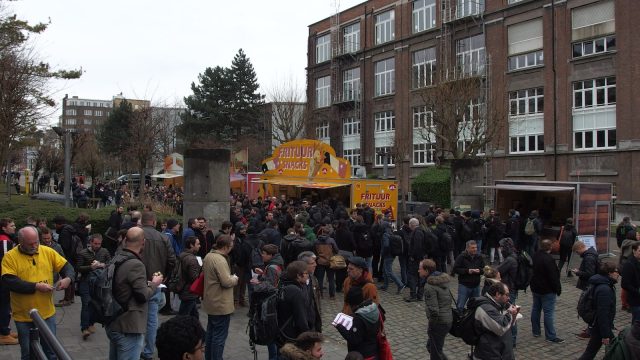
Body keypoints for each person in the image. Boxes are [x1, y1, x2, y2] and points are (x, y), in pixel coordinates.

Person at [1, 226, 74, 359]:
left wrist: (68, 278)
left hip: (47, 314)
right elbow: (9, 281)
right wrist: (36, 286)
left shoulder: (47, 251)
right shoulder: (10, 257)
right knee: (28, 353)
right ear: (20, 242)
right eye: (31, 244)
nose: (35, 246)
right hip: (24, 316)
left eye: (37, 242)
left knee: (51, 351)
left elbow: (66, 266)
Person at [107, 227, 163, 360]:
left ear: (125, 240)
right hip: (128, 326)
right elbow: (143, 295)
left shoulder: (117, 257)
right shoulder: (136, 264)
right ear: (143, 242)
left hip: (113, 320)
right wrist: (155, 283)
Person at [140, 211, 176, 359]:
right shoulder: (163, 237)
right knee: (152, 318)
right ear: (154, 222)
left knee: (135, 315)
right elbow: (172, 260)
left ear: (142, 222)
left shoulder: (136, 235)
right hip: (155, 281)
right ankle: (148, 350)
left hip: (136, 281)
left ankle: (138, 347)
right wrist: (164, 277)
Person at [202, 234, 238, 360]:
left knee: (211, 333)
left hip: (211, 300)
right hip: (220, 302)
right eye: (231, 246)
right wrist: (234, 278)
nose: (232, 248)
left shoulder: (209, 255)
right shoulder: (220, 260)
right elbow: (226, 282)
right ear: (226, 246)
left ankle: (209, 357)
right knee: (219, 336)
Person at [577, 262, 620, 360]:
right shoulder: (604, 289)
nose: (618, 274)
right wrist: (605, 335)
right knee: (593, 352)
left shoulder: (602, 283)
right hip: (599, 326)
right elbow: (603, 313)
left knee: (592, 351)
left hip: (598, 325)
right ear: (610, 273)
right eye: (616, 272)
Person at [76, 233, 111, 340]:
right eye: (95, 243)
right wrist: (91, 267)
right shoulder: (83, 253)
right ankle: (84, 328)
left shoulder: (104, 251)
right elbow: (78, 268)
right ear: (90, 243)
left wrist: (102, 265)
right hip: (85, 282)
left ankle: (91, 323)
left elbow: (110, 264)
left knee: (96, 304)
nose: (97, 245)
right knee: (86, 304)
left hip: (99, 283)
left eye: (99, 244)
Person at [530, 239, 564, 343]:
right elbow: (553, 277)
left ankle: (536, 331)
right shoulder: (549, 259)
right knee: (548, 313)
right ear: (550, 247)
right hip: (547, 290)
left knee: (536, 309)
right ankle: (550, 336)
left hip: (535, 287)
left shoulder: (535, 256)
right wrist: (558, 289)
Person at [473, 282, 518, 360]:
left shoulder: (499, 304)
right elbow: (501, 327)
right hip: (490, 355)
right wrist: (510, 313)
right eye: (506, 295)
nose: (509, 298)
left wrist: (513, 316)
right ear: (497, 294)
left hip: (501, 352)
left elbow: (508, 326)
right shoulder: (485, 309)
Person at [419, 259, 452, 360]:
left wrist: (432, 325)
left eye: (420, 269)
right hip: (447, 319)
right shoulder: (441, 281)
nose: (418, 271)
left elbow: (434, 310)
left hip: (439, 323)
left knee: (435, 354)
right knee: (431, 347)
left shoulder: (430, 286)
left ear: (427, 271)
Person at [334, 285, 380, 359]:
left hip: (362, 355)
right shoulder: (373, 309)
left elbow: (354, 340)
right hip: (373, 351)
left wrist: (339, 327)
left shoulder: (359, 318)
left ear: (352, 304)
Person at [572, 239, 600, 339]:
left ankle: (590, 330)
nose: (577, 254)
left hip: (590, 287)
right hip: (591, 286)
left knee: (587, 307)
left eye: (577, 251)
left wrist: (578, 272)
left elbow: (590, 274)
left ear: (580, 248)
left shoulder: (589, 258)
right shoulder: (591, 254)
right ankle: (590, 329)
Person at [497, 237, 519, 347]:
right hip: (511, 288)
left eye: (501, 247)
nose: (500, 249)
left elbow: (498, 271)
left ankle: (512, 340)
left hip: (509, 290)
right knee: (510, 312)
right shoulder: (513, 256)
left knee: (511, 313)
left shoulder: (510, 260)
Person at [453, 240, 485, 310]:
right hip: (464, 285)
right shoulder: (461, 257)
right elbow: (455, 269)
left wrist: (479, 271)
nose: (475, 249)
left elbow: (483, 269)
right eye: (473, 248)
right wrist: (467, 271)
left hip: (476, 286)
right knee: (460, 306)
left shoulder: (479, 257)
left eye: (476, 247)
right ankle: (459, 319)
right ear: (467, 248)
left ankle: (471, 320)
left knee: (475, 306)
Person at [0, 218, 17, 345]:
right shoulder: (4, 240)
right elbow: (6, 261)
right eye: (11, 226)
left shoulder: (5, 238)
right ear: (4, 228)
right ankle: (3, 334)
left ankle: (5, 330)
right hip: (3, 280)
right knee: (4, 306)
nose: (14, 227)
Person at [177, 236, 202, 318]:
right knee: (183, 317)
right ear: (191, 245)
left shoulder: (182, 255)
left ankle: (196, 330)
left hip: (185, 290)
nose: (199, 246)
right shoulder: (191, 259)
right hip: (189, 292)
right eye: (198, 244)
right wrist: (201, 270)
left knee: (194, 316)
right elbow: (194, 278)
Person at [298, 251, 322, 333]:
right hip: (301, 325)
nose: (315, 265)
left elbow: (317, 301)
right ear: (304, 265)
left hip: (313, 323)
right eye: (312, 263)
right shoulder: (295, 282)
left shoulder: (314, 279)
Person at [379, 220, 405, 294]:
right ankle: (385, 285)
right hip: (392, 254)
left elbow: (386, 245)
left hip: (388, 255)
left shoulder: (385, 234)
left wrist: (383, 252)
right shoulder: (391, 232)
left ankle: (400, 284)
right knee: (385, 270)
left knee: (389, 271)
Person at [621, 242, 640, 325]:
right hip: (635, 300)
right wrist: (637, 291)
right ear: (634, 250)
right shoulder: (629, 264)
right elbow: (624, 284)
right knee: (637, 323)